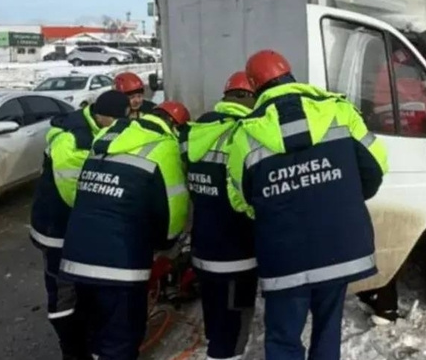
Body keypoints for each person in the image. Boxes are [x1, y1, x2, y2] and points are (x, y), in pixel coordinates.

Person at [227, 50, 388, 360]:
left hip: (285, 253)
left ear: (253, 86)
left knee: (283, 336)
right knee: (329, 327)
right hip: (339, 243)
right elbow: (376, 168)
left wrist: (274, 211)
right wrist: (342, 200)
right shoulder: (340, 112)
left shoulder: (245, 136)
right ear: (290, 73)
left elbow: (242, 199)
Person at [59, 100, 191, 360]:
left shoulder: (110, 135)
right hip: (120, 265)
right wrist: (165, 246)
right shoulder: (164, 147)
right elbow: (172, 213)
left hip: (76, 257)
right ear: (176, 127)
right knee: (120, 343)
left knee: (94, 334)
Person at [30, 90, 131, 360]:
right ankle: (73, 350)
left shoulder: (94, 129)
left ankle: (86, 338)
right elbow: (76, 193)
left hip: (75, 229)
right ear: (103, 117)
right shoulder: (74, 139)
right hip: (58, 230)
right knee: (63, 293)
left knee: (84, 290)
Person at [180, 71, 258, 360]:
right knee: (233, 332)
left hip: (204, 247)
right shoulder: (246, 133)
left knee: (215, 317)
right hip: (237, 253)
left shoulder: (195, 131)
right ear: (249, 97)